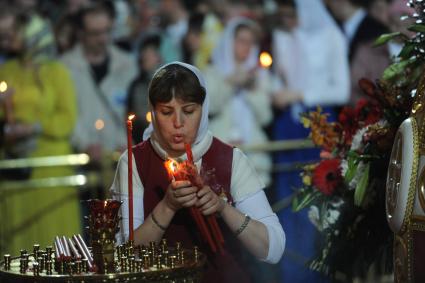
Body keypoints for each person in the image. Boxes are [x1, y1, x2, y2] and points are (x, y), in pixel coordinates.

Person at [110, 62, 285, 283]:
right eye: (166, 112)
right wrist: (167, 206)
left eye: (189, 111)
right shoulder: (134, 162)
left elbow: (273, 249)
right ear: (153, 112)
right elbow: (124, 255)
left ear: (204, 110)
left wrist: (223, 208)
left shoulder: (231, 159)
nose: (178, 123)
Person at [0, 8, 81, 254]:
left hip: (49, 169)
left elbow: (67, 119)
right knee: (18, 246)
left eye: (15, 32)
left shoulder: (57, 72)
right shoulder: (7, 71)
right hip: (15, 169)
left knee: (53, 241)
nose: (8, 37)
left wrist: (35, 126)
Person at [61, 2, 137, 162]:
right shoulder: (65, 67)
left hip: (123, 157)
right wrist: (85, 144)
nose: (103, 39)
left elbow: (135, 109)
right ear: (81, 33)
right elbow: (66, 112)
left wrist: (128, 143)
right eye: (95, 33)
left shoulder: (128, 64)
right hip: (83, 158)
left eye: (107, 31)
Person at [204, 17, 274, 187]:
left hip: (253, 154)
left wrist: (251, 89)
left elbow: (266, 117)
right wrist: (231, 83)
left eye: (250, 42)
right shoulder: (212, 72)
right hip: (222, 150)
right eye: (242, 41)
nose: (247, 47)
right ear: (230, 41)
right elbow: (210, 108)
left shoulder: (260, 75)